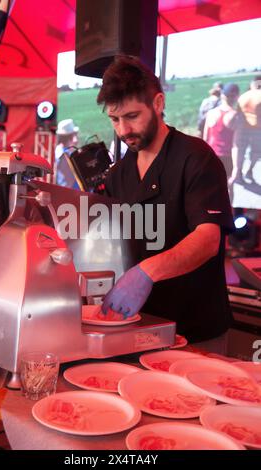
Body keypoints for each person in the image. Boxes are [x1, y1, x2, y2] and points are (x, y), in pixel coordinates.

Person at [97, 56, 234, 353]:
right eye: (114, 119)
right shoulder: (119, 172)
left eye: (132, 116)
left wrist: (146, 272)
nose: (123, 131)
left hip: (197, 332)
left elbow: (208, 238)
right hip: (140, 327)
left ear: (158, 103)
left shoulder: (196, 158)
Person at [203, 83, 240, 184]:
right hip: (227, 157)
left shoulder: (210, 113)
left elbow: (205, 139)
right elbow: (235, 146)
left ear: (222, 96)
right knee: (228, 187)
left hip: (211, 156)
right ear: (237, 96)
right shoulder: (236, 116)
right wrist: (237, 167)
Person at [230, 75, 261, 184]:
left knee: (240, 152)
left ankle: (238, 173)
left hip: (242, 128)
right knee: (256, 153)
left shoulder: (243, 96)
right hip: (257, 129)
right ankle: (250, 170)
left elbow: (237, 113)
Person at [55, 118, 80, 188]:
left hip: (69, 192)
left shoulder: (60, 150)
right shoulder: (64, 154)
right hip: (72, 193)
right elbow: (69, 180)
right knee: (84, 198)